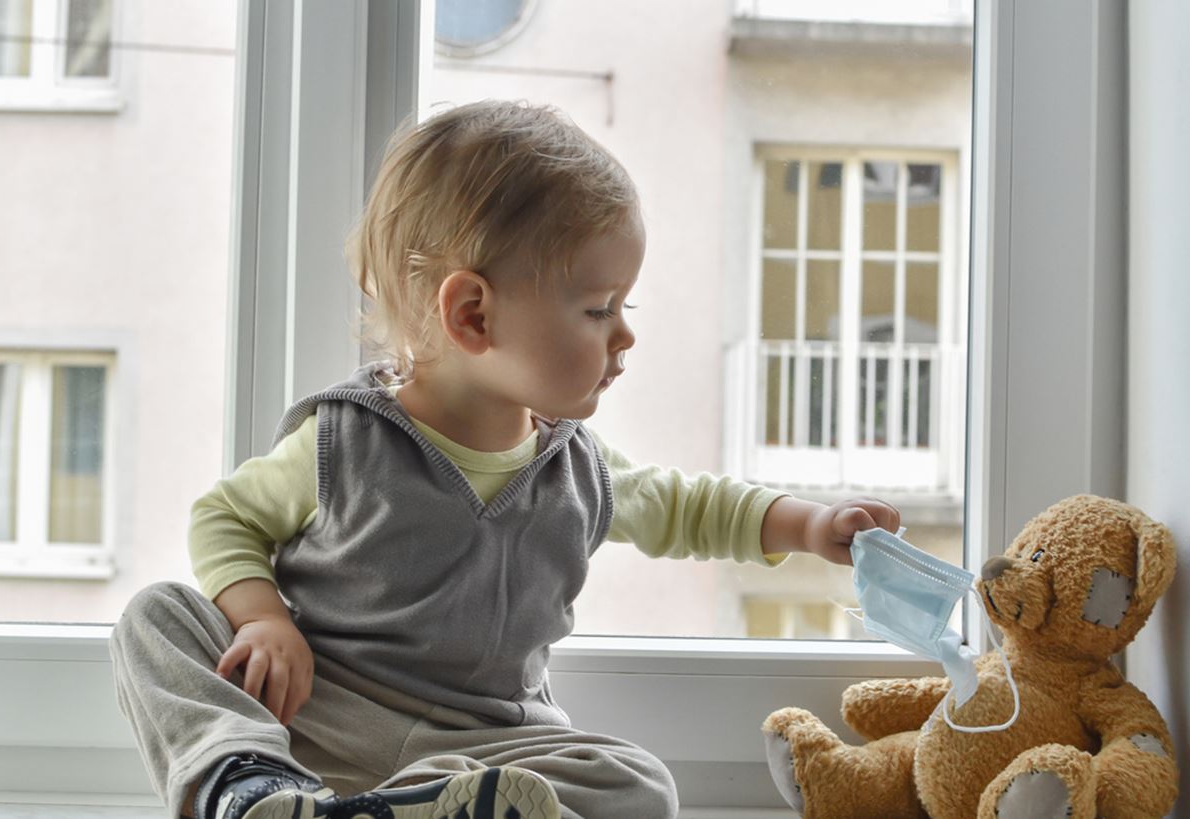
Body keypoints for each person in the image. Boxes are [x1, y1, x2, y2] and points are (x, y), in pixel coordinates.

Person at [109, 99, 901, 819]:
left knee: (638, 786)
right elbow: (224, 517)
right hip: (320, 708)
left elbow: (689, 506)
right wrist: (264, 618)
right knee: (158, 617)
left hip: (488, 741)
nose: (623, 334)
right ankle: (244, 785)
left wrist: (810, 523)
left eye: (623, 306)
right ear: (472, 313)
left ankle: (421, 806)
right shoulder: (342, 442)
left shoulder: (574, 465)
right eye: (598, 308)